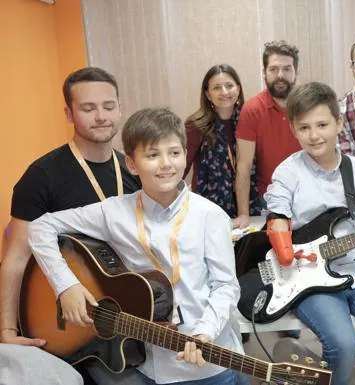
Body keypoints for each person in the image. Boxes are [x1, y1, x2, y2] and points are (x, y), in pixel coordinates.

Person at [28, 108, 248, 385]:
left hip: (208, 360)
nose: (166, 164)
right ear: (132, 164)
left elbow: (226, 286)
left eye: (174, 153)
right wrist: (65, 286)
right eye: (152, 155)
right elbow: (40, 226)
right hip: (145, 362)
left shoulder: (210, 215)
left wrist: (204, 332)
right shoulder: (114, 212)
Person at [0, 67, 142, 385]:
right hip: (62, 323)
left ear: (120, 107)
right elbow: (16, 257)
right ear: (69, 113)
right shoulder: (42, 176)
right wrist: (7, 331)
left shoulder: (134, 170)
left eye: (108, 106)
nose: (101, 116)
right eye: (88, 108)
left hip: (125, 314)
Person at [264, 82, 355, 385]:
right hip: (307, 274)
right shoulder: (287, 172)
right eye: (304, 127)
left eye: (322, 124)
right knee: (343, 345)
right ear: (293, 129)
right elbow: (277, 216)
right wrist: (284, 248)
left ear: (339, 123)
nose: (314, 135)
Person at [235, 40, 302, 228]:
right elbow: (243, 166)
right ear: (264, 73)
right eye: (273, 69)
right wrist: (243, 214)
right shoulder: (252, 109)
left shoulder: (307, 105)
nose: (280, 75)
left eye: (287, 69)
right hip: (270, 200)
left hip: (308, 196)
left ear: (296, 72)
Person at [184, 64, 261, 222]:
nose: (224, 92)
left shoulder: (250, 120)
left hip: (250, 202)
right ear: (207, 93)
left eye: (229, 86)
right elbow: (181, 166)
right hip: (209, 206)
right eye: (217, 88)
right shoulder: (196, 125)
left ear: (238, 89)